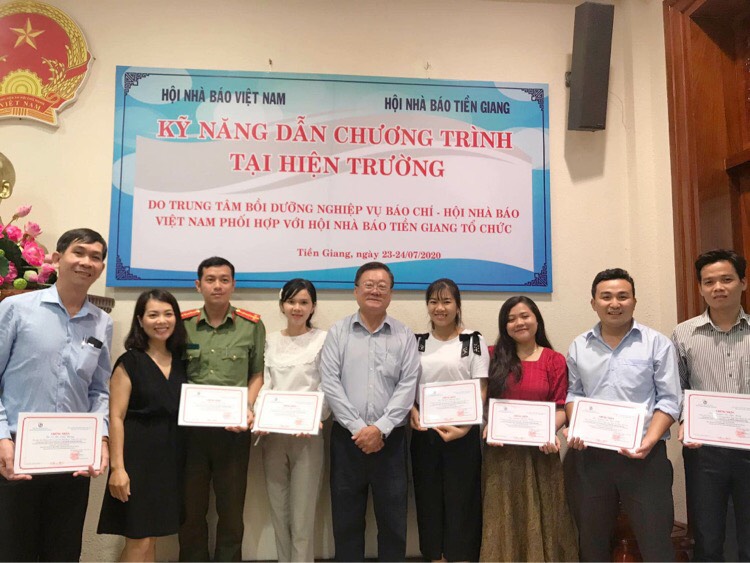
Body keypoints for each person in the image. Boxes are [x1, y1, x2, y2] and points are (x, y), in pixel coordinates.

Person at [0, 228, 112, 562]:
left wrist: (101, 439)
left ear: (101, 267)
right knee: (13, 550)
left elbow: (99, 389)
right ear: (57, 259)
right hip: (17, 451)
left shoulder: (102, 323)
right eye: (79, 252)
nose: (86, 262)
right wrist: (2, 437)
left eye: (95, 257)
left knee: (63, 551)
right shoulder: (16, 308)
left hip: (72, 457)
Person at [565, 268, 681, 561]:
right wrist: (576, 427)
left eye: (622, 296)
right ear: (593, 303)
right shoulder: (579, 345)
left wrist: (648, 442)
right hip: (592, 458)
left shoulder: (657, 343)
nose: (614, 303)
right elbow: (574, 394)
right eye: (606, 297)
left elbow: (669, 400)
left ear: (634, 301)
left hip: (645, 457)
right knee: (592, 545)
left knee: (656, 543)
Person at [320, 262, 420, 562]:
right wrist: (358, 428)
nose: (375, 291)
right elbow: (330, 382)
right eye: (368, 285)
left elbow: (408, 385)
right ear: (356, 291)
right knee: (346, 519)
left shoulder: (404, 335)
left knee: (393, 520)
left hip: (391, 440)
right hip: (347, 439)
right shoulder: (338, 332)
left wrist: (380, 429)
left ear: (391, 293)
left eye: (382, 286)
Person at [179, 257, 266, 562]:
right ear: (198, 285)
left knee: (231, 511)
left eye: (224, 280)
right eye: (211, 279)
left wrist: (248, 407)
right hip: (191, 433)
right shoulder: (183, 324)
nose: (217, 285)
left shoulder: (251, 325)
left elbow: (257, 374)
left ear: (233, 284)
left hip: (233, 431)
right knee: (190, 511)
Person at [480, 296, 578, 561]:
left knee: (546, 517)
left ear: (536, 319)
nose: (519, 323)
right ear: (504, 326)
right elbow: (481, 400)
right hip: (501, 454)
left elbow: (561, 407)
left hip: (541, 454)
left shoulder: (554, 360)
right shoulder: (491, 356)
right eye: (511, 319)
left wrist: (548, 431)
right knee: (503, 518)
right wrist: (488, 425)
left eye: (524, 316)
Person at [97, 289, 188, 561]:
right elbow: (116, 416)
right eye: (153, 315)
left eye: (168, 314)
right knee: (139, 539)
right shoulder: (129, 362)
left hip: (170, 459)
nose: (161, 321)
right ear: (140, 320)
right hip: (137, 460)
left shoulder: (181, 361)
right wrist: (118, 469)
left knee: (152, 538)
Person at [672, 249, 749, 561]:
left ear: (743, 282)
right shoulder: (683, 333)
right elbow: (677, 388)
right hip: (704, 449)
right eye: (709, 282)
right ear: (700, 288)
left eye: (727, 279)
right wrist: (685, 421)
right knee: (707, 535)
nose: (718, 287)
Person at [409, 278, 488, 562]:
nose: (439, 308)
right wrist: (411, 411)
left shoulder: (472, 340)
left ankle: (461, 556)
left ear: (457, 305)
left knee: (462, 499)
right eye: (433, 302)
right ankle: (435, 556)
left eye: (446, 301)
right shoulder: (417, 342)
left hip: (463, 433)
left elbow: (481, 386)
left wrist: (465, 427)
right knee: (428, 497)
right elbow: (407, 385)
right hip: (425, 431)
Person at [259, 278, 328, 562]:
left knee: (302, 518)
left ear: (313, 307)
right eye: (291, 302)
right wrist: (260, 416)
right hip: (273, 435)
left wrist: (316, 417)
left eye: (303, 302)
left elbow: (327, 385)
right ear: (282, 305)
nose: (297, 308)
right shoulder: (271, 340)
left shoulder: (323, 339)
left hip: (308, 435)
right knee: (279, 512)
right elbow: (266, 383)